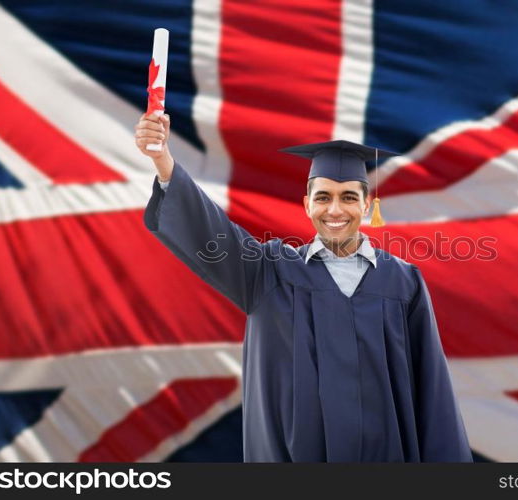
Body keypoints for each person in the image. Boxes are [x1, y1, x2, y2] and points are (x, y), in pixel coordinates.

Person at [135, 113, 473, 462]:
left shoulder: (403, 282)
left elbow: (432, 389)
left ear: (368, 205)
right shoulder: (268, 271)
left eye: (349, 197)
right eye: (323, 197)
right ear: (307, 204)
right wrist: (163, 162)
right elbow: (211, 232)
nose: (335, 209)